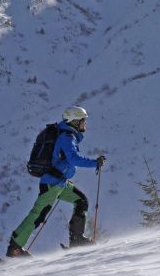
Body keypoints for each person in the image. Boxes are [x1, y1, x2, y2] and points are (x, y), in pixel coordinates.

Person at [7, 106, 105, 257]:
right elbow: (74, 159)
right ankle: (15, 248)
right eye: (83, 121)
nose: (85, 124)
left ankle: (77, 239)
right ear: (74, 121)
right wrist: (95, 163)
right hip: (52, 184)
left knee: (81, 201)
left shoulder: (66, 135)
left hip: (59, 183)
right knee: (38, 214)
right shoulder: (67, 137)